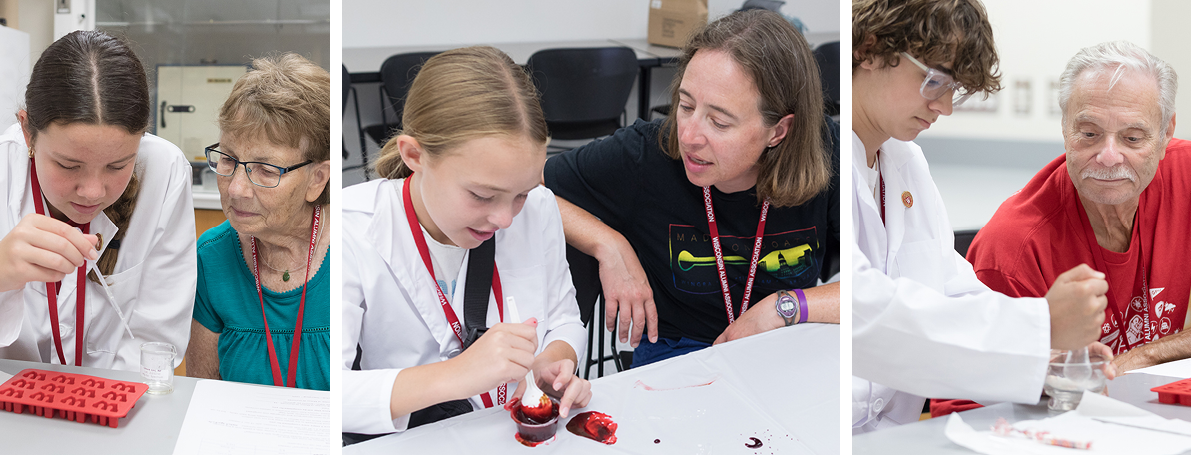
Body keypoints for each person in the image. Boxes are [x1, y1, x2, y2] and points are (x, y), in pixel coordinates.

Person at [850, 0, 1113, 433]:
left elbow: (951, 289)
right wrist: (1040, 326)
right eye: (934, 81)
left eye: (953, 88)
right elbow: (866, 315)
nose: (945, 107)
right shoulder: (823, 160)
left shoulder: (906, 163)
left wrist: (1042, 357)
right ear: (870, 49)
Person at [545, 9, 840, 369]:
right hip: (674, 355)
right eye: (685, 106)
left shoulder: (829, 153)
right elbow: (527, 187)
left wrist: (783, 308)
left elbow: (880, 286)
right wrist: (608, 243)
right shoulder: (645, 155)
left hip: (785, 346)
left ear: (779, 131)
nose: (688, 136)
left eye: (719, 121)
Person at [341, 46, 591, 436]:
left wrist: (552, 362)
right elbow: (329, 395)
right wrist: (458, 374)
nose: (505, 218)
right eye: (481, 195)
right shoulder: (350, 226)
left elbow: (564, 318)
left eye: (521, 193)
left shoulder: (538, 208)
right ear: (414, 155)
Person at [931, 41, 1186, 417]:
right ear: (1064, 127)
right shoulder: (1012, 251)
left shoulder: (1185, 174)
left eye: (1133, 138)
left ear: (1166, 135)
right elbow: (960, 411)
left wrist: (1147, 355)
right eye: (1088, 133)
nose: (1109, 155)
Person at [0, 31, 195, 370]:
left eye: (117, 165)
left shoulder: (164, 171)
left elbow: (157, 340)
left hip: (118, 408)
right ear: (28, 132)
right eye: (68, 165)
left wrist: (98, 408)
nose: (93, 191)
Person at [185, 54, 331, 391]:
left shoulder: (355, 250)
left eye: (266, 170)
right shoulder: (211, 258)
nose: (236, 189)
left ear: (317, 179)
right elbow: (203, 395)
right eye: (228, 160)